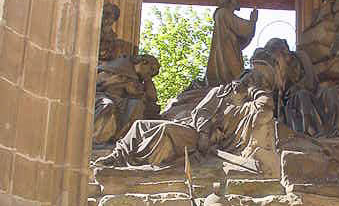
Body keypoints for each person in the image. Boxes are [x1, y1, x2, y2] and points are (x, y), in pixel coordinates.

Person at [94, 40, 292, 168]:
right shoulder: (221, 92)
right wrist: (205, 131)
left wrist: (255, 90)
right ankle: (118, 157)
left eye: (253, 78)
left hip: (201, 141)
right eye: (247, 76)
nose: (246, 80)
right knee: (140, 125)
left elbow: (264, 110)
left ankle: (138, 166)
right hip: (195, 130)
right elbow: (201, 111)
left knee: (164, 131)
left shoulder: (250, 104)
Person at [281, 50, 339, 139]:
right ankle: (309, 133)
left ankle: (338, 132)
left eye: (295, 67)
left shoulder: (301, 57)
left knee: (331, 92)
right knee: (302, 95)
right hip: (296, 101)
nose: (294, 71)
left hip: (313, 92)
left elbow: (311, 82)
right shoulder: (280, 71)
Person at [93, 54, 160, 144]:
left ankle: (118, 140)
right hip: (102, 96)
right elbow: (96, 85)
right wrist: (121, 83)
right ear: (143, 62)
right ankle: (97, 139)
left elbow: (152, 98)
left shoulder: (138, 79)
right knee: (107, 105)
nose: (150, 74)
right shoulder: (117, 66)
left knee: (137, 105)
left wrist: (148, 80)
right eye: (151, 69)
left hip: (121, 101)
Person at [206, 0, 258, 85]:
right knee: (239, 79)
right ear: (230, 1)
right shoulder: (224, 13)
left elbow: (241, 39)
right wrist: (253, 21)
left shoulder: (221, 14)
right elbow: (245, 29)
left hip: (227, 52)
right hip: (229, 57)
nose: (237, 1)